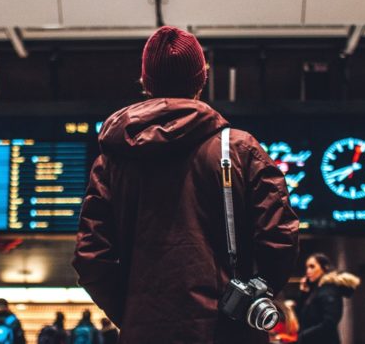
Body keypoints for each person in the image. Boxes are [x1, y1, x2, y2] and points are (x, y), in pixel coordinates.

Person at [72, 25, 299, 343]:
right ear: (201, 79)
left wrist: (135, 315)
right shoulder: (240, 150)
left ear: (146, 83)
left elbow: (90, 257)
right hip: (225, 332)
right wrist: (249, 298)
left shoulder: (112, 161)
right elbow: (280, 238)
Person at [296, 253, 360, 344]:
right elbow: (301, 315)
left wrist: (304, 336)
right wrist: (303, 293)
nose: (308, 271)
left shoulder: (328, 290)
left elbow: (330, 323)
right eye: (307, 267)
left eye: (312, 267)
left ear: (324, 268)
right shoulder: (316, 290)